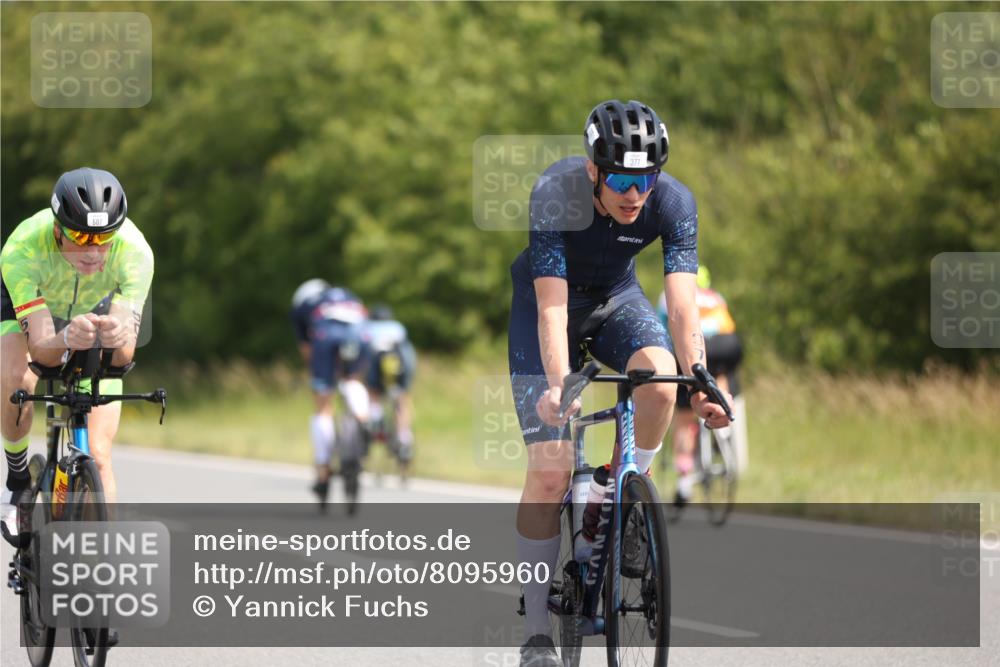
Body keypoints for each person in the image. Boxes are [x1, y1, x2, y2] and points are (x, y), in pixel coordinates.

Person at [507, 100, 731, 666]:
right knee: (551, 468)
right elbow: (552, 312)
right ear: (593, 171)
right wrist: (560, 386)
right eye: (624, 181)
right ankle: (536, 635)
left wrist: (699, 379)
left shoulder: (674, 201)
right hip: (548, 307)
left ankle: (623, 491)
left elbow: (682, 305)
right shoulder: (557, 192)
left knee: (659, 383)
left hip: (616, 302)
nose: (636, 194)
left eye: (646, 180)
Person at [1, 167, 153, 547]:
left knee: (99, 456)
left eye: (104, 239)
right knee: (19, 379)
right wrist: (65, 337)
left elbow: (124, 352)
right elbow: (40, 349)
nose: (93, 250)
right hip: (33, 306)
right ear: (57, 227)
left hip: (93, 306)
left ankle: (100, 561)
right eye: (81, 237)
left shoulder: (135, 252)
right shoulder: (23, 248)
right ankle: (18, 479)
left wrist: (117, 333)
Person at [657, 265, 744, 506]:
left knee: (684, 418)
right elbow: (729, 325)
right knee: (720, 372)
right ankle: (723, 412)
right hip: (728, 345)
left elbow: (661, 330)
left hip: (696, 344)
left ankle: (684, 481)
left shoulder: (669, 295)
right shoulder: (716, 297)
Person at [289, 280, 371, 509]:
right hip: (358, 332)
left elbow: (307, 349)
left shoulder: (302, 306)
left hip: (326, 335)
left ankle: (323, 470)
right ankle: (363, 420)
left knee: (323, 405)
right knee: (352, 380)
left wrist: (317, 375)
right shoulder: (349, 294)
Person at [361, 304, 417, 473]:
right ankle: (404, 438)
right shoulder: (398, 327)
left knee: (373, 392)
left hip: (376, 363)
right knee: (402, 400)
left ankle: (376, 418)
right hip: (400, 363)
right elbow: (409, 355)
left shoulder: (367, 327)